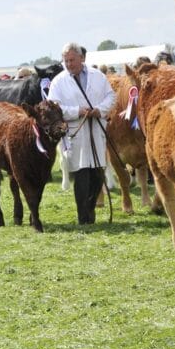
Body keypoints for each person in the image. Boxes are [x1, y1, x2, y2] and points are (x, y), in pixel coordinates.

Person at [48, 42, 116, 224]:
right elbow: (53, 107)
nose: (69, 64)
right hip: (76, 133)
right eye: (66, 60)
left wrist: (99, 110)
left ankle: (90, 209)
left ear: (82, 58)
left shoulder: (98, 76)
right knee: (81, 174)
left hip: (96, 129)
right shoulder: (58, 82)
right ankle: (83, 216)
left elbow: (111, 96)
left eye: (72, 60)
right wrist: (77, 111)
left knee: (97, 175)